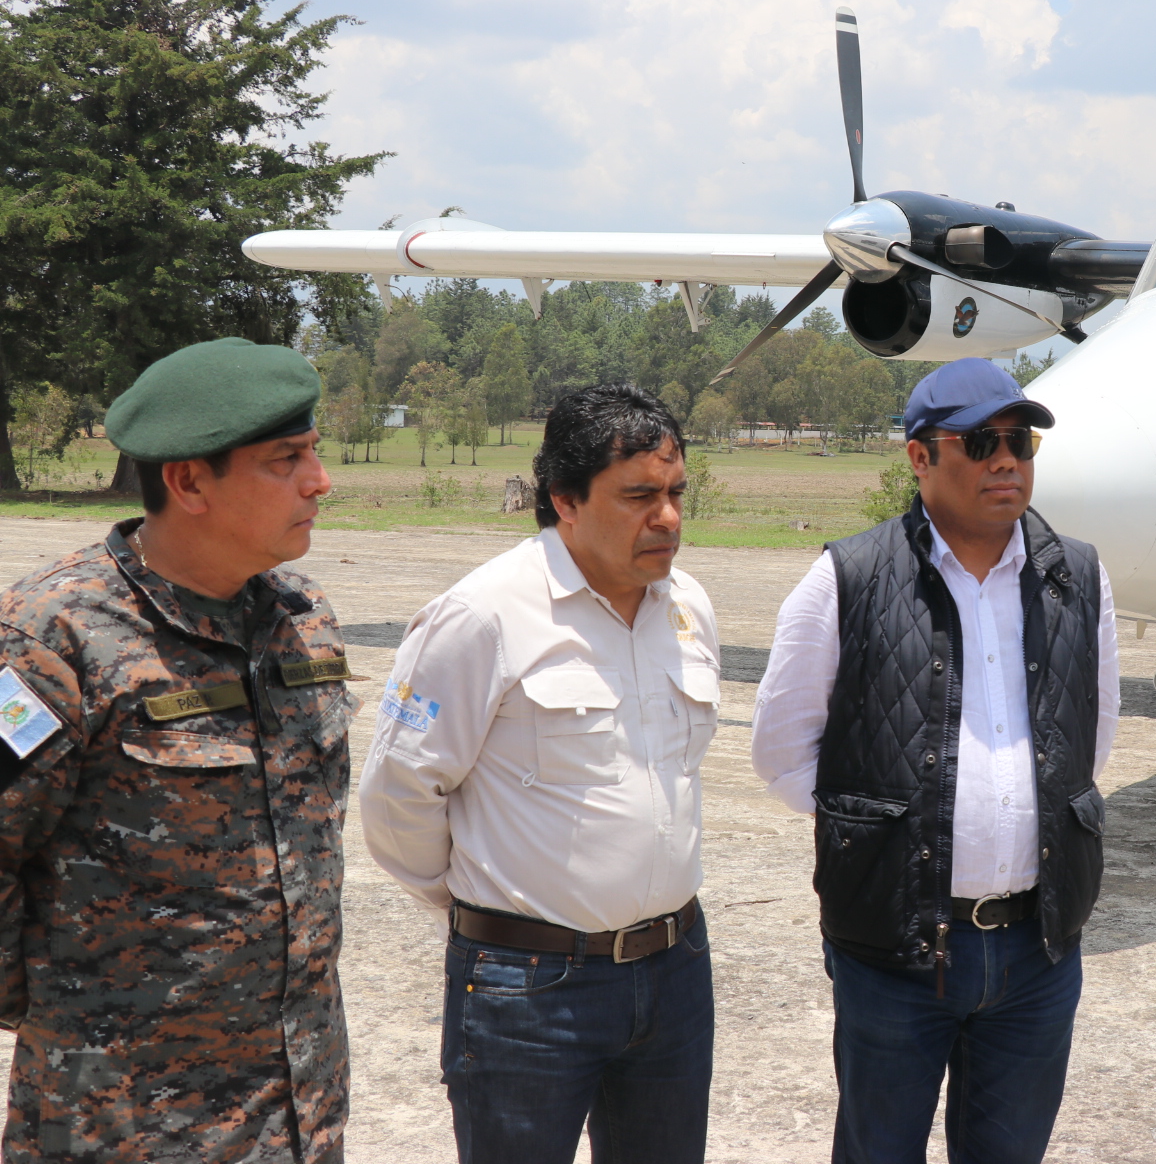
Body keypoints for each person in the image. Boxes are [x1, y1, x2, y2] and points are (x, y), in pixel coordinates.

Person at [752, 357, 1119, 1164]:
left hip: (1037, 953)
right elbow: (782, 754)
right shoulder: (844, 578)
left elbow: (1090, 743)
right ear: (920, 458)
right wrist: (888, 838)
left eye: (1021, 441)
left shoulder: (1078, 577)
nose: (1007, 461)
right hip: (896, 952)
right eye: (983, 441)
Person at [0, 338, 353, 1162]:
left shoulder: (303, 619)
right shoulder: (53, 637)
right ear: (189, 481)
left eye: (314, 452)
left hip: (298, 1107)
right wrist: (75, 1013)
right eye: (286, 460)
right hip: (122, 1126)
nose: (320, 481)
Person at [358, 383, 719, 1164]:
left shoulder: (688, 607)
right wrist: (488, 916)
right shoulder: (482, 615)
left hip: (676, 971)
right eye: (639, 496)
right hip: (528, 988)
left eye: (676, 493)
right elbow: (398, 799)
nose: (668, 518)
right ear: (565, 499)